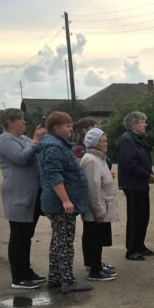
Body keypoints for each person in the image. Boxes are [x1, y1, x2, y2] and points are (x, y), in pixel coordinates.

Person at [35, 111, 92, 293]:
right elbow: (54, 175)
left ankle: (55, 277)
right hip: (59, 204)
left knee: (58, 240)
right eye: (67, 126)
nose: (70, 129)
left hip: (58, 203)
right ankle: (67, 280)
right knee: (65, 242)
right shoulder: (53, 146)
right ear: (56, 128)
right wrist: (66, 200)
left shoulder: (54, 144)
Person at [0, 108, 47, 289]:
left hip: (31, 194)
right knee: (18, 236)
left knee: (26, 236)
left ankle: (27, 271)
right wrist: (35, 140)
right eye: (21, 119)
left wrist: (39, 140)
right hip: (17, 194)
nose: (24, 122)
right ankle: (18, 277)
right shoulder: (5, 140)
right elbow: (21, 158)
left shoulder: (23, 139)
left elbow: (35, 152)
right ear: (10, 123)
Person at [79, 128, 119, 282]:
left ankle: (97, 267)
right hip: (97, 208)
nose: (106, 143)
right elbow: (92, 188)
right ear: (95, 143)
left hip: (102, 205)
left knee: (98, 239)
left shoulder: (98, 158)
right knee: (94, 240)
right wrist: (98, 211)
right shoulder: (91, 160)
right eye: (103, 141)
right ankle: (95, 271)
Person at [117, 111, 154, 261]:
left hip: (140, 184)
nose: (145, 124)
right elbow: (130, 164)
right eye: (142, 122)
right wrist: (147, 175)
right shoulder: (127, 140)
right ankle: (132, 250)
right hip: (133, 184)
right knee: (135, 218)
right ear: (134, 124)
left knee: (143, 216)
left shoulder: (136, 139)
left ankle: (140, 246)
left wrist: (148, 173)